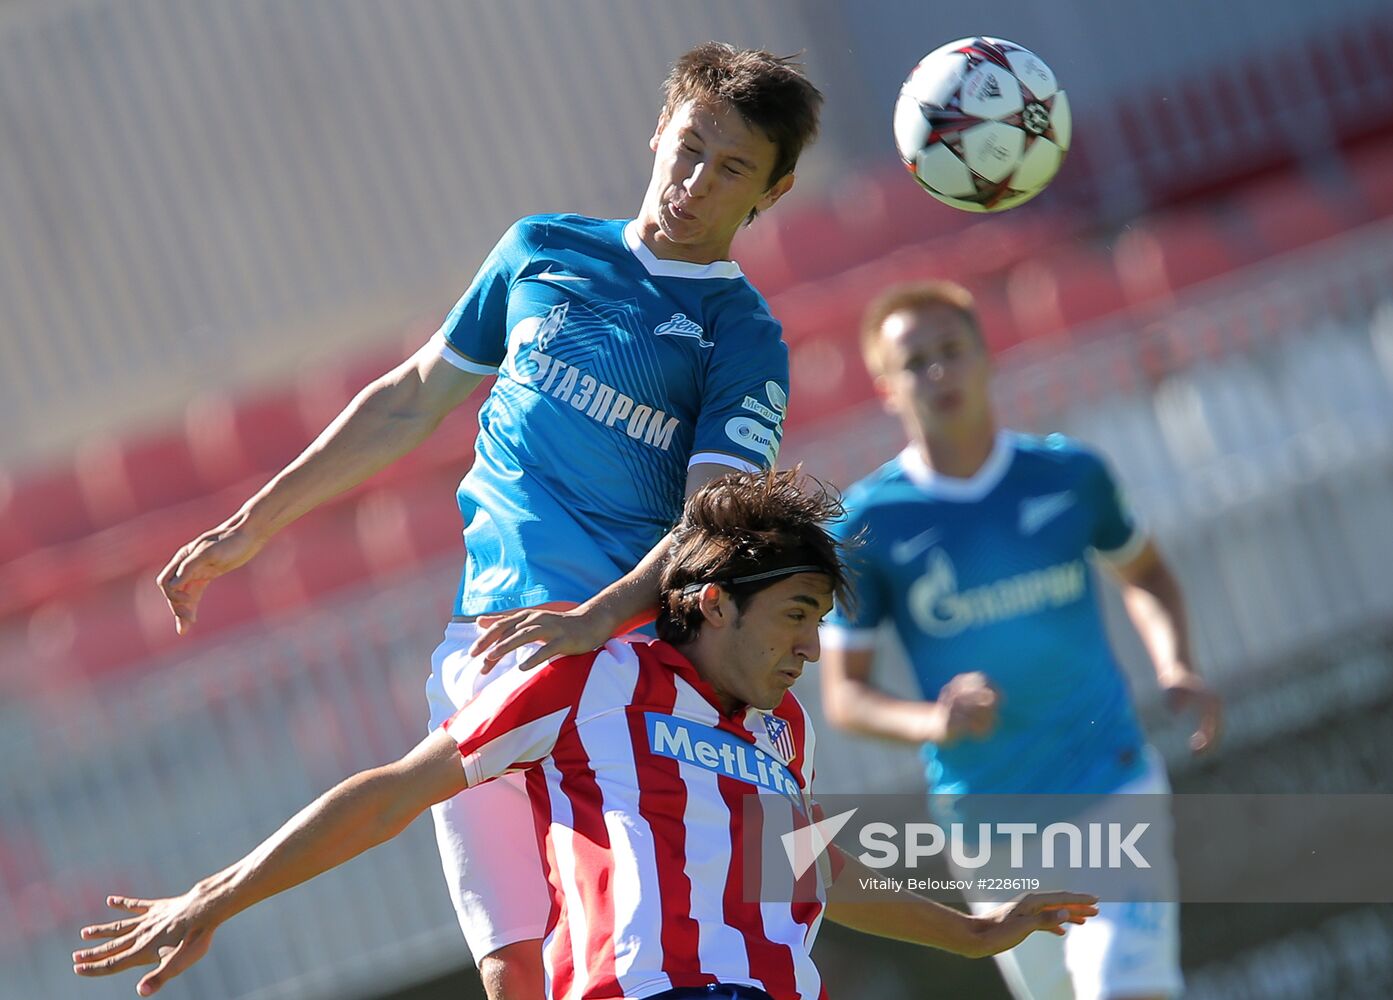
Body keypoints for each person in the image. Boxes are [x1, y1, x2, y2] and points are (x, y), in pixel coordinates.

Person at [153, 43, 823, 999]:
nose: (694, 184)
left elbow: (708, 523)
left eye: (731, 171)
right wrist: (252, 527)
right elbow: (409, 399)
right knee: (512, 972)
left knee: (646, 936)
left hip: (611, 670)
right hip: (481, 651)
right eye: (688, 149)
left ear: (776, 189)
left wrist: (596, 618)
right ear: (658, 130)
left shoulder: (741, 337)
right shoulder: (541, 250)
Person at [77, 470, 1098, 1000]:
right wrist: (217, 894)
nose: (806, 649)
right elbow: (393, 793)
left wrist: (973, 931)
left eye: (819, 624)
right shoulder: (592, 676)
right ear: (707, 602)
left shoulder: (781, 727)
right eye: (794, 617)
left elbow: (808, 867)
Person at [817, 281, 1223, 1000]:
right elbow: (845, 696)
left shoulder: (1070, 474)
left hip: (1108, 784)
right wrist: (932, 722)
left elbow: (1147, 574)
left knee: (1120, 988)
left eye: (951, 351)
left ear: (985, 357)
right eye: (914, 363)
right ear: (884, 387)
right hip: (985, 823)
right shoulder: (868, 523)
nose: (938, 373)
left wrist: (1174, 663)